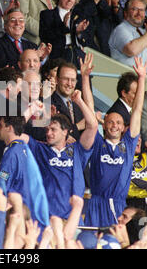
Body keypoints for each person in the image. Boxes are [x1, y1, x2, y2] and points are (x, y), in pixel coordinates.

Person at [84, 56, 146, 228]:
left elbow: (137, 111)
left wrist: (141, 78)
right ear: (104, 126)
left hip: (117, 204)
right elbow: (89, 107)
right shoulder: (97, 143)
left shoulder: (128, 144)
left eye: (119, 122)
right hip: (95, 203)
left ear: (123, 128)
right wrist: (84, 77)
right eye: (110, 121)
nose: (114, 125)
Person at [20, 86, 98, 221]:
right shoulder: (40, 149)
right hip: (45, 218)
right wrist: (30, 110)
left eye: (53, 130)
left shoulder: (78, 151)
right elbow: (15, 133)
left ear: (65, 131)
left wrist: (79, 101)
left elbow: (93, 126)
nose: (48, 133)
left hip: (71, 219)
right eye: (47, 129)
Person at [109, 0, 147, 74]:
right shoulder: (121, 29)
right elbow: (132, 50)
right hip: (131, 77)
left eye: (142, 10)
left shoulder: (144, 31)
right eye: (134, 9)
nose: (139, 13)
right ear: (125, 13)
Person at [39, 0, 87, 64]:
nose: (70, 0)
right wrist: (63, 26)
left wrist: (78, 32)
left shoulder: (78, 17)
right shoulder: (47, 15)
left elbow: (85, 42)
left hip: (77, 58)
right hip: (57, 58)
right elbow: (46, 37)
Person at [50, 61, 84, 142]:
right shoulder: (49, 101)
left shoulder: (77, 104)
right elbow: (46, 132)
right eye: (66, 79)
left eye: (73, 80)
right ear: (57, 80)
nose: (69, 84)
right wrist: (77, 127)